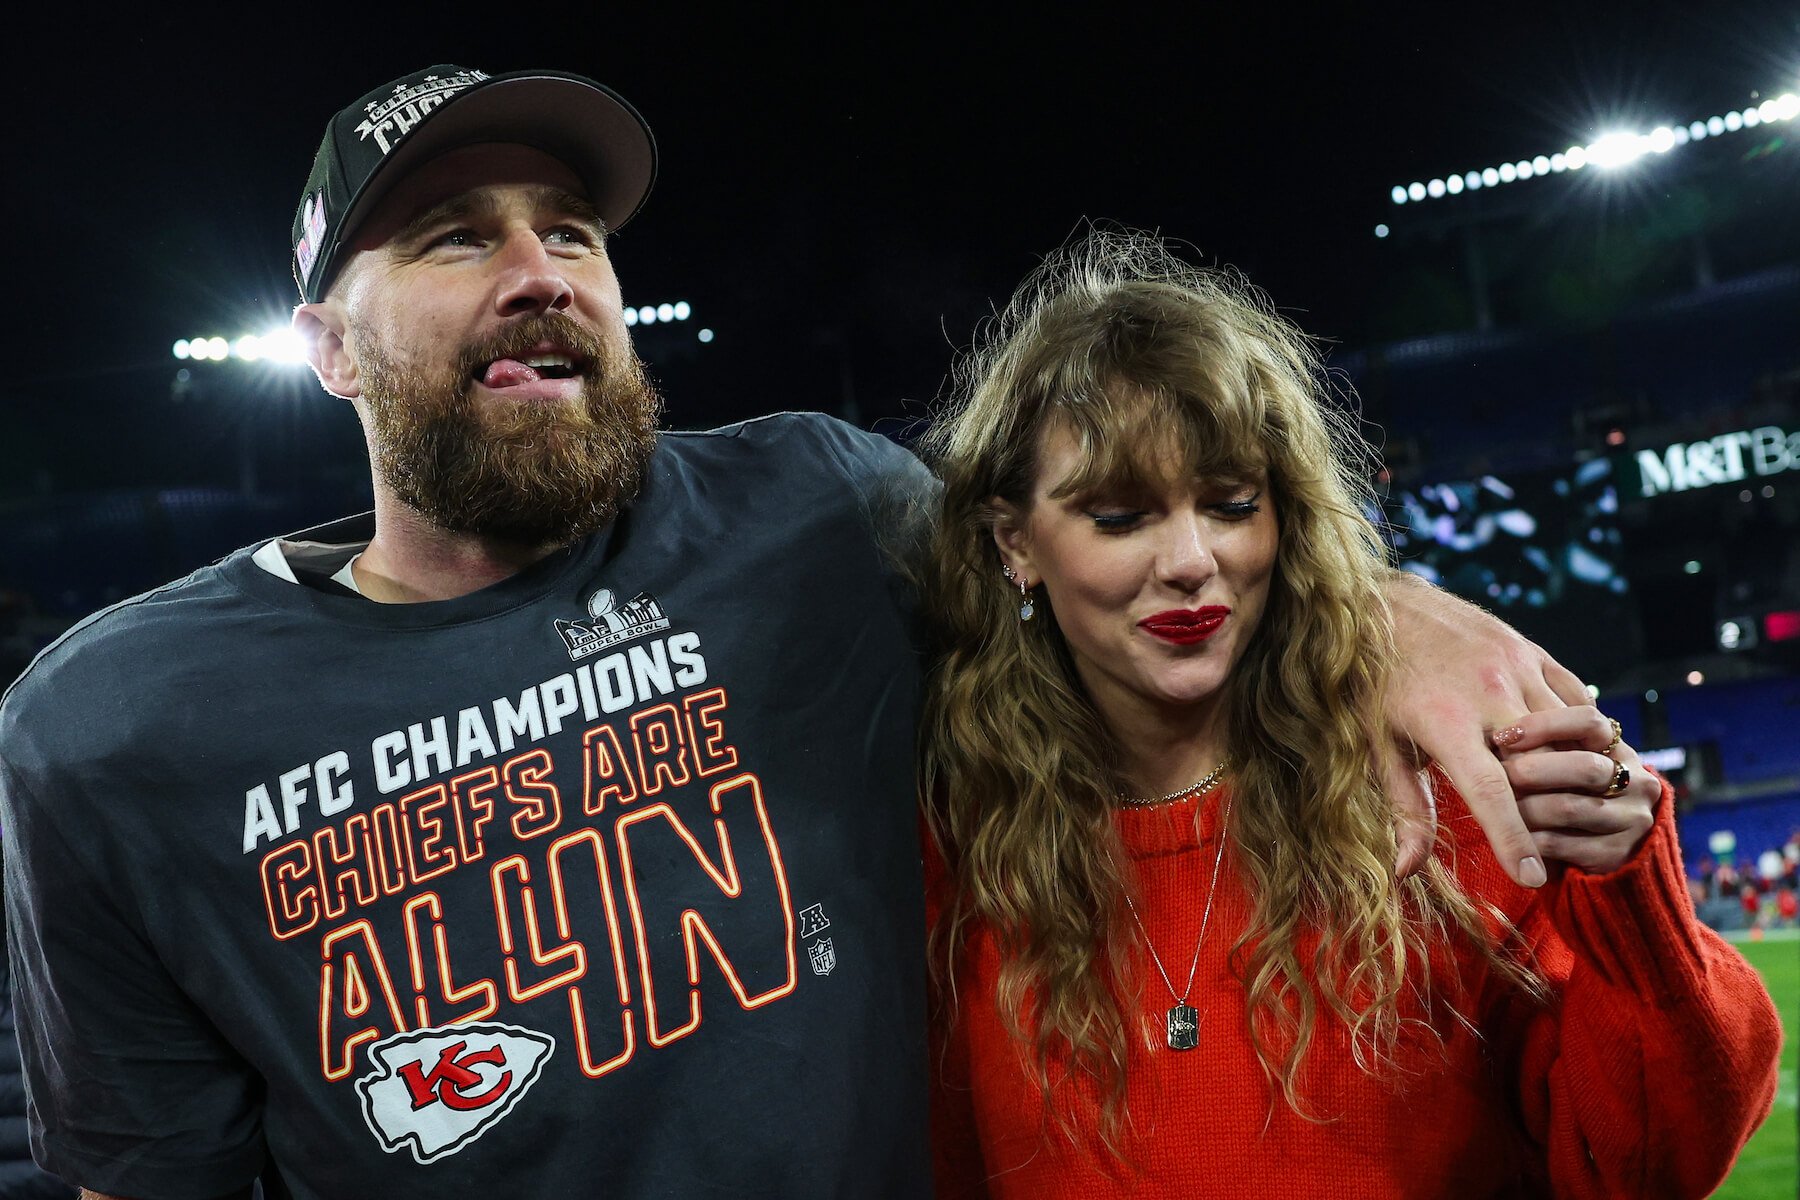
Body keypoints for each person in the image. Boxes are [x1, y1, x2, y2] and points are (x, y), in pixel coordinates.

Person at [0, 68, 1607, 1199]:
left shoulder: (816, 512)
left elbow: (1123, 543)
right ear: (324, 350)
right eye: (451, 237)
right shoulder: (120, 729)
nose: (537, 271)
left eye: (570, 229)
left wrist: (1389, 613)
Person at [920, 231, 1782, 1197]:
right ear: (1014, 544)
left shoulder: (1434, 795)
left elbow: (1651, 1166)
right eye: (1120, 517)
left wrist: (1629, 885)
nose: (1192, 559)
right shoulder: (955, 850)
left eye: (1232, 502)